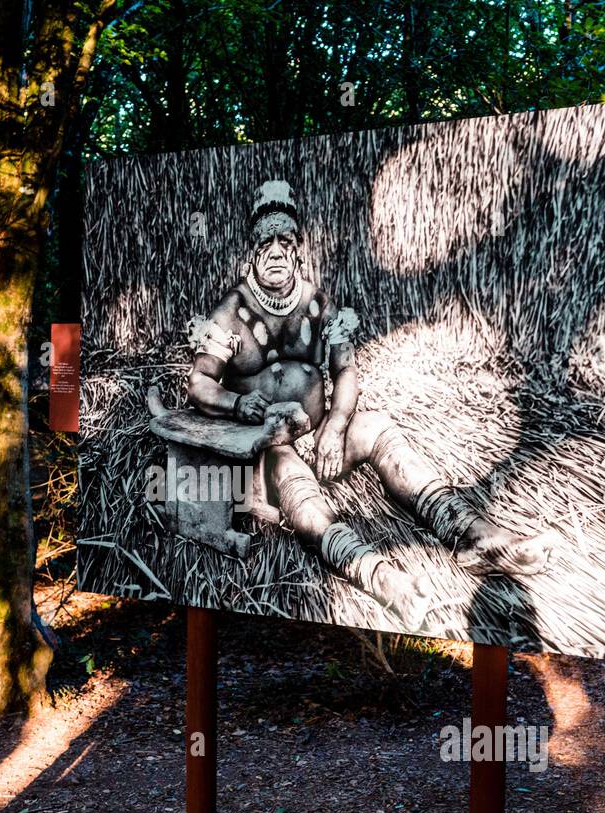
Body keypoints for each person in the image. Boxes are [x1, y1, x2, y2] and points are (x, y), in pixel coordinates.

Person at [185, 180, 552, 628]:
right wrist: (242, 406)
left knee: (378, 427)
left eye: (286, 241)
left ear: (299, 249)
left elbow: (345, 372)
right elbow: (200, 382)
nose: (277, 251)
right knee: (290, 472)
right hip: (267, 442)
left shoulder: (319, 304)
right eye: (267, 242)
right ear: (252, 250)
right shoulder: (231, 310)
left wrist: (337, 424)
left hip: (319, 431)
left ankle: (473, 535)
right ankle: (378, 576)